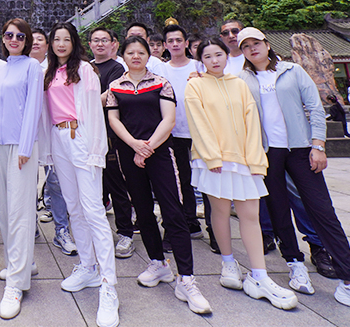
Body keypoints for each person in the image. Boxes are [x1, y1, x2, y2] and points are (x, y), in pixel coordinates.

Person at [238, 27, 350, 322]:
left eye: (256, 43)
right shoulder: (242, 79)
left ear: (267, 44)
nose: (252, 49)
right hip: (267, 152)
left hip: (300, 148)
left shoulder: (292, 71)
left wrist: (318, 145)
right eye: (245, 46)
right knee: (277, 209)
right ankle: (294, 263)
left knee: (322, 210)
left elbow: (314, 106)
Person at [186, 39, 296, 310]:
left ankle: (259, 275)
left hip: (244, 160)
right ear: (201, 60)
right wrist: (212, 156)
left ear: (227, 56)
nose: (214, 60)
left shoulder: (240, 84)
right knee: (220, 211)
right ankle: (228, 264)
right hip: (213, 159)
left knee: (250, 215)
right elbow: (197, 122)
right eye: (208, 56)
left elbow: (252, 121)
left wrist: (255, 159)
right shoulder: (195, 85)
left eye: (218, 54)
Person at [106, 35, 211, 315]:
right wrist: (134, 145)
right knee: (142, 210)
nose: (136, 56)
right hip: (129, 154)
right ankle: (158, 263)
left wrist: (148, 147)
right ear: (123, 56)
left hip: (160, 153)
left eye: (141, 52)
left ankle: (186, 278)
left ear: (148, 56)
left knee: (173, 211)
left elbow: (169, 119)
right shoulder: (115, 86)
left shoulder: (160, 82)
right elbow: (113, 119)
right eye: (131, 53)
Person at [39, 22, 119, 327]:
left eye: (66, 39)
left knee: (93, 210)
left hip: (81, 138)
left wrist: (95, 149)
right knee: (73, 207)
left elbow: (93, 112)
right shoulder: (49, 71)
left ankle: (109, 285)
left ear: (74, 43)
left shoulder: (85, 70)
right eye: (56, 39)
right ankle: (88, 267)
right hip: (59, 140)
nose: (61, 44)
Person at [0, 18, 43, 319]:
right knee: (5, 208)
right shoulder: (1, 68)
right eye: (9, 34)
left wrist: (25, 147)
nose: (14, 39)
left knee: (20, 210)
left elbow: (34, 107)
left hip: (20, 146)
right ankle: (20, 263)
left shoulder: (32, 67)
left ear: (27, 40)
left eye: (20, 36)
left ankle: (16, 283)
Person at [32, 27, 77, 256]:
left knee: (56, 183)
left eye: (40, 40)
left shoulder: (55, 70)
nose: (34, 43)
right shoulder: (19, 67)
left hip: (54, 133)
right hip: (28, 136)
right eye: (30, 39)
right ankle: (30, 228)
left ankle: (62, 230)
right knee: (27, 184)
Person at [89, 27, 133, 258]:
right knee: (94, 187)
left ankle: (125, 233)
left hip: (110, 136)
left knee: (117, 186)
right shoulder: (87, 67)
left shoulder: (117, 68)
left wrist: (84, 106)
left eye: (104, 40)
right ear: (89, 44)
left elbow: (111, 94)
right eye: (95, 40)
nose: (100, 44)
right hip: (89, 135)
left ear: (113, 44)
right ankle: (98, 233)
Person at [162, 25, 204, 241]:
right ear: (165, 45)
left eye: (179, 40)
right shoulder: (161, 69)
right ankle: (188, 220)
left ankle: (213, 227)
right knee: (181, 179)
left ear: (187, 43)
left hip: (201, 131)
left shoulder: (199, 66)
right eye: (170, 41)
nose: (175, 44)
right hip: (174, 131)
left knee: (205, 177)